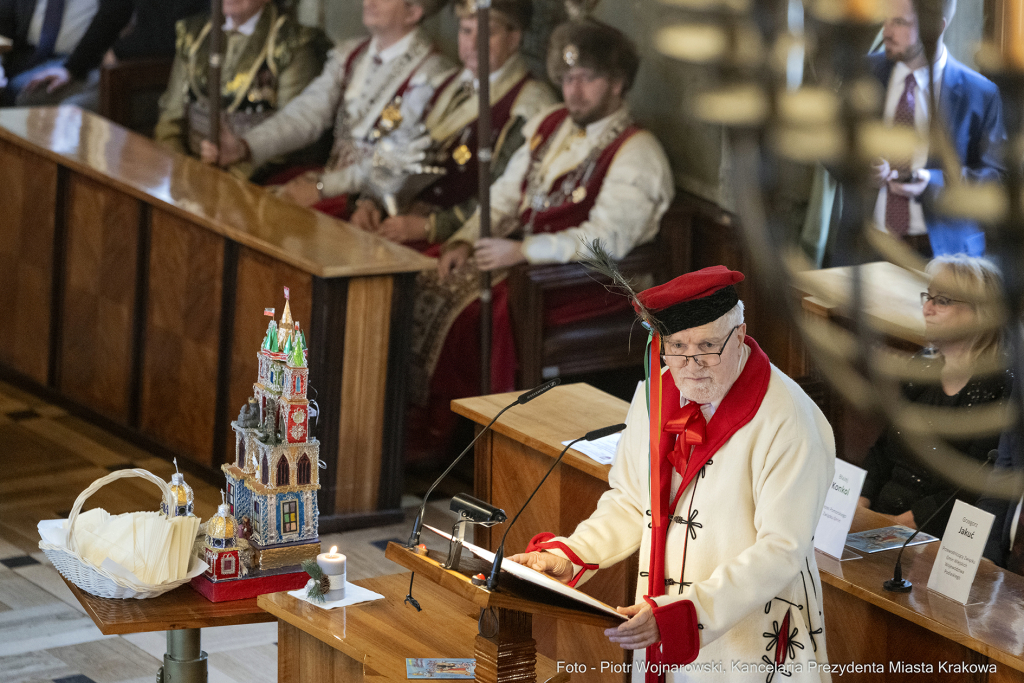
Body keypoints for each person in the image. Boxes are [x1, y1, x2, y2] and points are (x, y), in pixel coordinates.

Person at [509, 265, 835, 681]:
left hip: (753, 642)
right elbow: (631, 501)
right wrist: (571, 556)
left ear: (739, 336)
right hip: (659, 621)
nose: (691, 364)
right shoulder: (654, 392)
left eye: (707, 346)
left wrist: (688, 612)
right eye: (677, 346)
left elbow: (782, 548)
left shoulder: (788, 418)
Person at [407, 19, 673, 460]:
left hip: (586, 283)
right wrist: (463, 240)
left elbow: (605, 242)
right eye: (568, 79)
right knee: (423, 273)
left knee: (473, 314)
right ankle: (421, 427)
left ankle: (472, 443)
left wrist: (523, 251)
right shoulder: (552, 124)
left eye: (589, 79)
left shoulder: (637, 152)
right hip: (526, 263)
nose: (575, 91)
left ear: (619, 84)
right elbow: (505, 197)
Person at [201, 0, 451, 216]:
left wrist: (322, 188)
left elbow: (396, 159)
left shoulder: (432, 74)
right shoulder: (350, 54)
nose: (369, 1)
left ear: (413, 12)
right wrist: (246, 146)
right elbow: (307, 113)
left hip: (381, 202)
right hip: (332, 185)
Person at [348, 0, 556, 248]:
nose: (473, 43)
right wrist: (371, 200)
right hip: (402, 221)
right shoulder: (447, 83)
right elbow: (399, 147)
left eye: (487, 33)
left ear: (514, 38)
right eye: (466, 31)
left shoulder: (529, 106)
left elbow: (506, 193)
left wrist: (431, 227)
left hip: (463, 238)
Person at [827, 0, 1005, 265]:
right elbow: (829, 145)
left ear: (936, 28)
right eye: (886, 20)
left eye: (900, 22)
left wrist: (934, 181)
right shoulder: (860, 72)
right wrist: (858, 166)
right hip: (863, 248)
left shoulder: (980, 93)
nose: (887, 31)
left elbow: (997, 178)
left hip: (943, 256)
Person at [859, 256, 1011, 537]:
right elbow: (881, 451)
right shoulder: (923, 366)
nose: (926, 309)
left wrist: (897, 525)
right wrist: (860, 503)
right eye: (927, 297)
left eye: (941, 301)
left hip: (936, 535)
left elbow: (972, 485)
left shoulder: (1001, 387)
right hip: (881, 520)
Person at [153, 0, 328, 179]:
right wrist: (180, 171)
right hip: (193, 172)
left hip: (259, 180)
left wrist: (229, 181)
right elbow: (170, 122)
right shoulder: (193, 34)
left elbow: (289, 134)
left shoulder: (293, 43)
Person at [9, 0, 206, 109]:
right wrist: (72, 68)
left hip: (161, 80)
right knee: (30, 97)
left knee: (72, 111)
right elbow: (112, 13)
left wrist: (120, 51)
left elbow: (172, 37)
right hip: (120, 69)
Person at [1, 0, 99, 105]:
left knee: (24, 94)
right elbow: (4, 32)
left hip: (78, 60)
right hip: (26, 54)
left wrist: (72, 69)